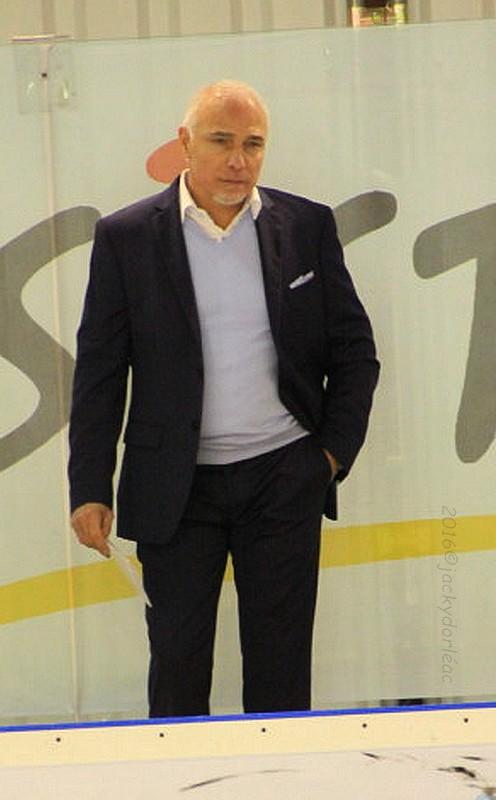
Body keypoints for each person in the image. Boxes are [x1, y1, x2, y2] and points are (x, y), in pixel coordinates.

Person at [69, 79, 379, 718]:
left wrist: (328, 458)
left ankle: (280, 773)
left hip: (284, 476)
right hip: (175, 487)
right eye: (221, 142)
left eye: (253, 144)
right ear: (185, 143)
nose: (239, 160)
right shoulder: (127, 237)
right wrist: (89, 487)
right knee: (178, 663)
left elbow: (355, 352)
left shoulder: (306, 226)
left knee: (281, 664)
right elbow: (100, 372)